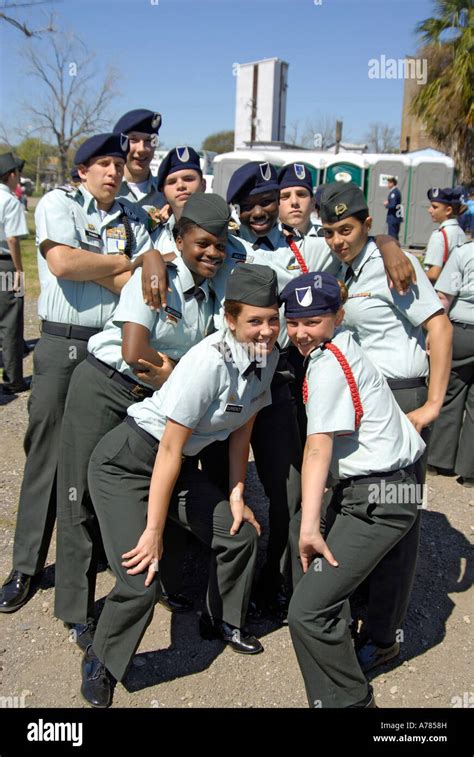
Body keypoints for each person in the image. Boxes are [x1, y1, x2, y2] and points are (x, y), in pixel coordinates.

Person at [81, 264, 281, 707]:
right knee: (141, 577)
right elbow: (168, 450)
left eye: (273, 318)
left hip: (175, 465)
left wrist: (236, 492)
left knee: (239, 533)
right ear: (230, 320)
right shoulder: (209, 361)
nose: (266, 330)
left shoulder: (269, 357)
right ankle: (102, 660)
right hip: (130, 462)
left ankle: (222, 619)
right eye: (254, 320)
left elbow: (243, 425)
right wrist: (153, 532)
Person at [54, 194, 229, 647]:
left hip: (153, 405)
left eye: (220, 244)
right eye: (202, 243)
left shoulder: (211, 294)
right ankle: (76, 608)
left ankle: (159, 583)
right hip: (105, 386)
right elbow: (134, 353)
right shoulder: (156, 279)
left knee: (156, 489)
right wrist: (176, 374)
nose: (212, 252)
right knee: (80, 495)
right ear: (179, 241)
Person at [0, 133, 154, 614]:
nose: (112, 171)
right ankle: (25, 565)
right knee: (44, 453)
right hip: (62, 341)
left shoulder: (133, 216)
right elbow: (63, 263)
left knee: (90, 460)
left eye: (116, 163)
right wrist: (123, 263)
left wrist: (109, 267)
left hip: (109, 350)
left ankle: (83, 566)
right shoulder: (58, 202)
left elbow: (144, 281)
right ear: (81, 170)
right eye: (101, 164)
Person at [318, 181, 452, 672]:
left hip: (402, 397)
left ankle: (385, 637)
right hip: (365, 403)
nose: (338, 239)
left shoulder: (396, 264)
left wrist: (435, 402)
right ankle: (362, 606)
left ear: (367, 224)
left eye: (347, 229)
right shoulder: (341, 266)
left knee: (399, 517)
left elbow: (439, 327)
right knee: (361, 508)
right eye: (330, 231)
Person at [280, 271, 426, 708]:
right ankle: (377, 642)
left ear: (338, 316)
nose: (302, 332)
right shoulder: (343, 343)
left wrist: (311, 526)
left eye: (314, 321)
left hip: (379, 496)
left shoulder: (328, 366)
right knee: (378, 571)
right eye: (294, 321)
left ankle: (349, 700)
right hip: (399, 483)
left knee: (307, 612)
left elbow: (318, 448)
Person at [428, 240, 474, 487]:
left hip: (463, 332)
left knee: (450, 393)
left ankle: (438, 461)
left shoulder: (464, 253)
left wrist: (435, 332)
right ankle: (470, 472)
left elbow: (444, 297)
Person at [0, 152, 28, 394]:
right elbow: (12, 238)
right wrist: (19, 270)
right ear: (11, 175)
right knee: (10, 321)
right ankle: (12, 379)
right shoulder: (10, 201)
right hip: (5, 265)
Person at [113, 108, 164, 230]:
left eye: (148, 140)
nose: (141, 149)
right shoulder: (106, 189)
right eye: (133, 140)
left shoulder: (166, 193)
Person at [153, 146, 205, 254]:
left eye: (188, 179)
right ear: (164, 194)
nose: (180, 186)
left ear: (203, 185)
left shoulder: (223, 231)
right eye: (172, 182)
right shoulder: (156, 238)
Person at [424, 187, 466, 284]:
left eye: (435, 207)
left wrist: (414, 276)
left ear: (448, 210)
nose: (429, 210)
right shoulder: (460, 232)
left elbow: (434, 274)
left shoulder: (439, 235)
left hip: (437, 291)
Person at [384, 177, 402, 241]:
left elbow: (393, 205)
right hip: (395, 217)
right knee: (394, 236)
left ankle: (393, 249)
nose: (388, 185)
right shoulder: (395, 192)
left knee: (392, 236)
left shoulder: (394, 193)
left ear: (392, 183)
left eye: (389, 183)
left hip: (393, 217)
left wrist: (387, 204)